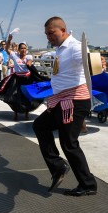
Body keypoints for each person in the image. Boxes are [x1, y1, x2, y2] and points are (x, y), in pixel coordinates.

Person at [32, 16, 97, 196]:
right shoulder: (60, 49)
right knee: (40, 126)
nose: (48, 37)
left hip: (74, 101)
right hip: (61, 100)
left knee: (69, 143)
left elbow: (88, 61)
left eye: (51, 33)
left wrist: (96, 64)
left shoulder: (75, 47)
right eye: (46, 34)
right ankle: (58, 166)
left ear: (62, 30)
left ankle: (88, 185)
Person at [0, 34, 49, 120]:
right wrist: (9, 40)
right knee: (15, 97)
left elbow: (30, 62)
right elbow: (7, 49)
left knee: (28, 97)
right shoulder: (14, 55)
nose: (23, 50)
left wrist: (29, 63)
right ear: (19, 50)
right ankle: (16, 113)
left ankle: (26, 113)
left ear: (26, 49)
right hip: (17, 79)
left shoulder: (28, 56)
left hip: (27, 79)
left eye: (25, 48)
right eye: (22, 48)